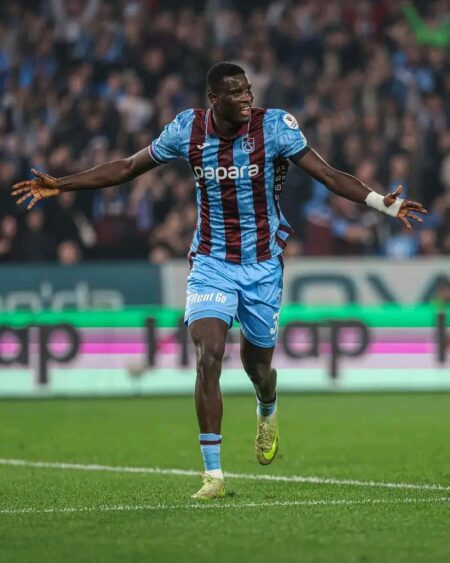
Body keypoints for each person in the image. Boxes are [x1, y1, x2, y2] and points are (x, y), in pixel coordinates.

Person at [11, 62, 427, 500]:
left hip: (262, 266)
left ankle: (267, 405)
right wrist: (63, 185)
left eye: (248, 90)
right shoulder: (186, 129)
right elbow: (128, 167)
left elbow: (328, 175)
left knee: (257, 368)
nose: (247, 98)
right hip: (211, 262)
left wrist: (383, 203)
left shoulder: (275, 127)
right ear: (215, 99)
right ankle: (213, 474)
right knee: (208, 355)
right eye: (237, 92)